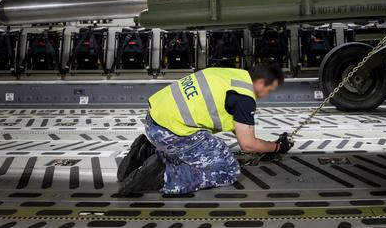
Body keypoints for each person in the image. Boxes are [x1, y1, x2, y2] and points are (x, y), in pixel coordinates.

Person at [117, 61, 293, 195]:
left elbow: (235, 124)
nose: (268, 95)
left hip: (153, 121)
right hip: (171, 132)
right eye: (270, 90)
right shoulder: (244, 97)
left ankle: (145, 152)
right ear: (261, 83)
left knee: (204, 151)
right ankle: (162, 175)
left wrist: (262, 144)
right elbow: (247, 144)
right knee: (227, 169)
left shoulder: (230, 74)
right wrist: (276, 147)